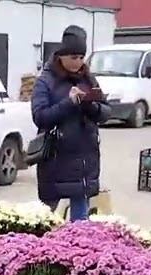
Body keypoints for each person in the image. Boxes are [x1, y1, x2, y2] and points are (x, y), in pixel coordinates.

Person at [31, 30, 109, 220]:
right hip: (56, 159)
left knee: (80, 225)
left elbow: (106, 112)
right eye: (74, 57)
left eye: (82, 57)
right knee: (44, 219)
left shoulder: (88, 79)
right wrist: (69, 103)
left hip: (85, 163)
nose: (78, 62)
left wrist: (90, 105)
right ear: (62, 55)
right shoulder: (46, 81)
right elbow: (40, 117)